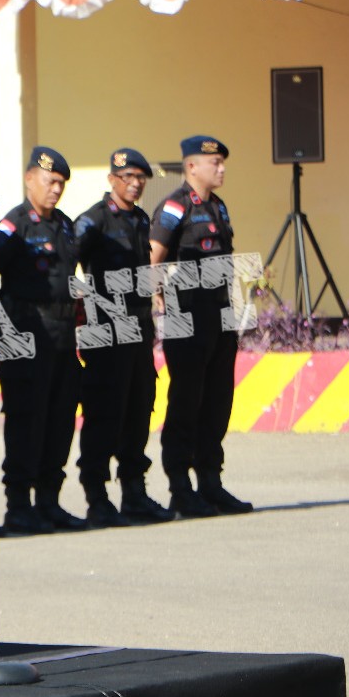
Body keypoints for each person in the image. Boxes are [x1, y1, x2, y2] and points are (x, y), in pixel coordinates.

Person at [148, 136, 253, 518]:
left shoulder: (218, 207)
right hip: (186, 317)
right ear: (192, 166)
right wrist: (157, 298)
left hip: (220, 316)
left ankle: (211, 481)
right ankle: (180, 487)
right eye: (215, 163)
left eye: (223, 162)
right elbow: (154, 257)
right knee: (187, 401)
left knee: (217, 401)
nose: (221, 168)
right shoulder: (176, 205)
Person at [0, 147, 86, 535]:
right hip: (24, 336)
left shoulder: (64, 225)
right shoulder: (15, 225)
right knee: (26, 421)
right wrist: (4, 312)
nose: (56, 189)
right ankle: (18, 507)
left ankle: (49, 501)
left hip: (62, 339)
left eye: (61, 183)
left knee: (59, 420)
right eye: (49, 181)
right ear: (30, 180)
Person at [74, 148, 174, 527]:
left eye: (140, 178)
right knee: (103, 414)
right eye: (127, 177)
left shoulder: (140, 219)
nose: (135, 184)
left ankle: (134, 491)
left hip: (138, 331)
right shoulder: (92, 221)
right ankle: (97, 497)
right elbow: (67, 267)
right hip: (105, 334)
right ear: (112, 179)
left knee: (137, 410)